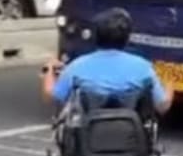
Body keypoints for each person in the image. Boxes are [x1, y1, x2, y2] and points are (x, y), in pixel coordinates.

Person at [40, 8, 173, 115]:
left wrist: (49, 70)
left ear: (96, 36)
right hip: (130, 138)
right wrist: (169, 84)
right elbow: (163, 106)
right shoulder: (143, 67)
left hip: (88, 139)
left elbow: (52, 97)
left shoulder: (77, 66)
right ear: (127, 38)